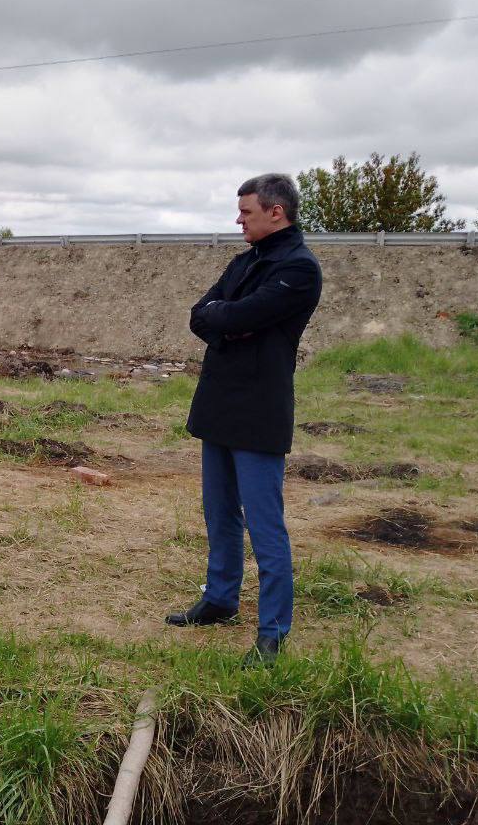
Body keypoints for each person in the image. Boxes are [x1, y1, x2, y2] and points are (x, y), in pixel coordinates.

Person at [168, 173, 322, 666]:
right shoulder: (245, 261)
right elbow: (200, 314)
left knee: (264, 523)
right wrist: (229, 319)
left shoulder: (299, 269)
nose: (238, 220)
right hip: (219, 404)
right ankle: (220, 598)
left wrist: (228, 319)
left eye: (247, 212)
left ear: (276, 212)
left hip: (258, 410)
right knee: (218, 511)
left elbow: (232, 317)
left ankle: (273, 630)